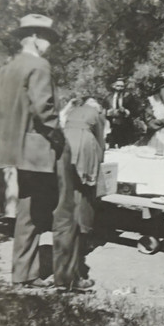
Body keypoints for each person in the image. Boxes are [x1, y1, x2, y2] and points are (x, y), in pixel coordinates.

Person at [0, 13, 93, 292]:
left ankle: (23, 275)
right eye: (46, 38)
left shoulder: (6, 69)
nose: (49, 45)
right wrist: (58, 140)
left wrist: (14, 131)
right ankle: (67, 279)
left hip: (18, 153)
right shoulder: (40, 66)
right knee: (65, 211)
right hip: (45, 150)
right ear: (32, 37)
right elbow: (45, 111)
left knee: (27, 211)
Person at [64, 97, 105, 270]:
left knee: (69, 189)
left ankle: (67, 235)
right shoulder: (97, 114)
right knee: (87, 191)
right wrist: (100, 160)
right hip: (85, 148)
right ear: (98, 107)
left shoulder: (73, 111)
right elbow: (100, 140)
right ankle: (84, 236)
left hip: (66, 145)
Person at [105, 78, 132, 148]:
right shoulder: (108, 98)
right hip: (112, 127)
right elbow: (103, 110)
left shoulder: (128, 97)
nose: (120, 88)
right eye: (118, 86)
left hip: (124, 127)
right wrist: (108, 112)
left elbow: (134, 111)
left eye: (122, 86)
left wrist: (126, 111)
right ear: (114, 86)